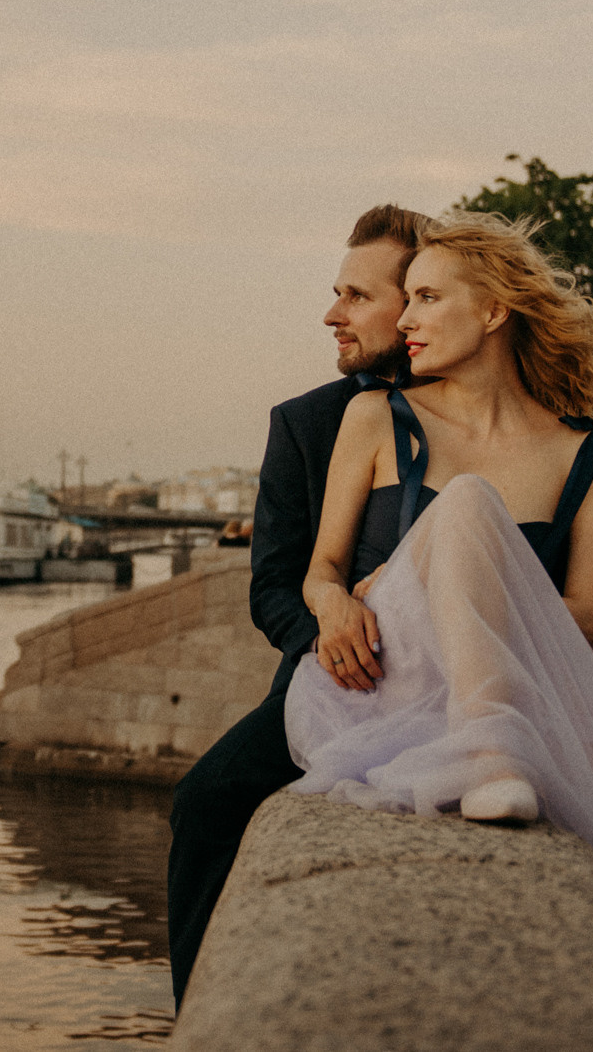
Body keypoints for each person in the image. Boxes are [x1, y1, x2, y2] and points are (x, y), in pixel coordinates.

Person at [286, 211, 593, 995]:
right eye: (404, 300)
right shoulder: (378, 416)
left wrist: (443, 565)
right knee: (468, 503)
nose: (405, 321)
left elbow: (589, 616)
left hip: (529, 687)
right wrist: (342, 604)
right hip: (391, 680)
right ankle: (489, 753)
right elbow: (322, 569)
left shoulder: (585, 450)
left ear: (492, 311)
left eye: (426, 298)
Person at [164, 203, 431, 1006]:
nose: (332, 314)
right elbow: (272, 587)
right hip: (329, 676)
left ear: (415, 303)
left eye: (355, 295)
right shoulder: (305, 422)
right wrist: (327, 638)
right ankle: (204, 1016)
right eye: (335, 293)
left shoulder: (480, 411)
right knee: (205, 804)